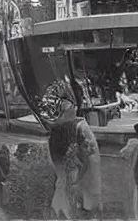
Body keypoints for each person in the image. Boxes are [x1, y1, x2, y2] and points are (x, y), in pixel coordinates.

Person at [48, 90, 102, 219]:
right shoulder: (77, 127)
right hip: (73, 177)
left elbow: (91, 160)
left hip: (74, 178)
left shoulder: (74, 127)